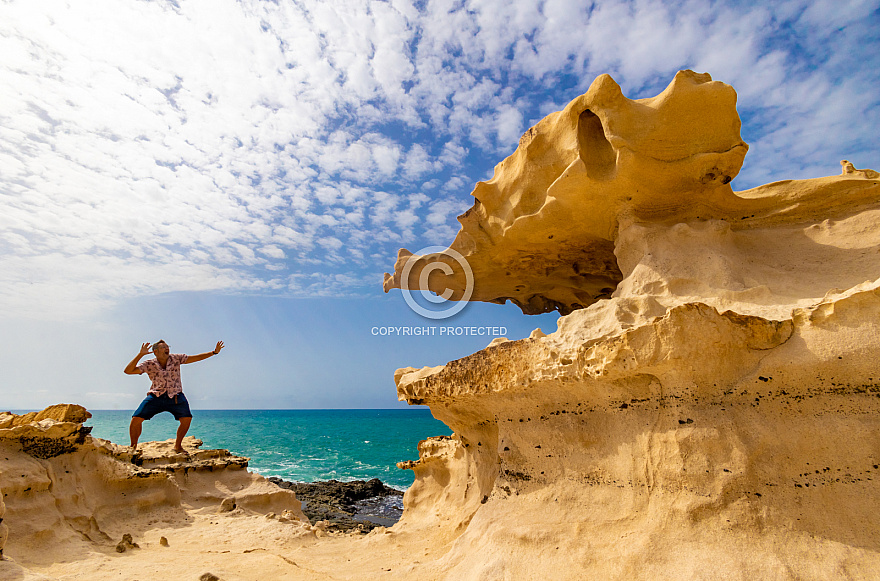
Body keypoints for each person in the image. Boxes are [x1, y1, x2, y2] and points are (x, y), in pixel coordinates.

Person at [124, 339, 224, 454]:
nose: (167, 349)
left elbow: (194, 358)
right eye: (163, 347)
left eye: (168, 347)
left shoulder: (176, 358)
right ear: (155, 352)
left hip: (176, 395)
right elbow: (128, 371)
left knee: (187, 419)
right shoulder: (149, 364)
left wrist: (214, 352)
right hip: (156, 396)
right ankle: (133, 447)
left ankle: (178, 446)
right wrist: (140, 354)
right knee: (136, 419)